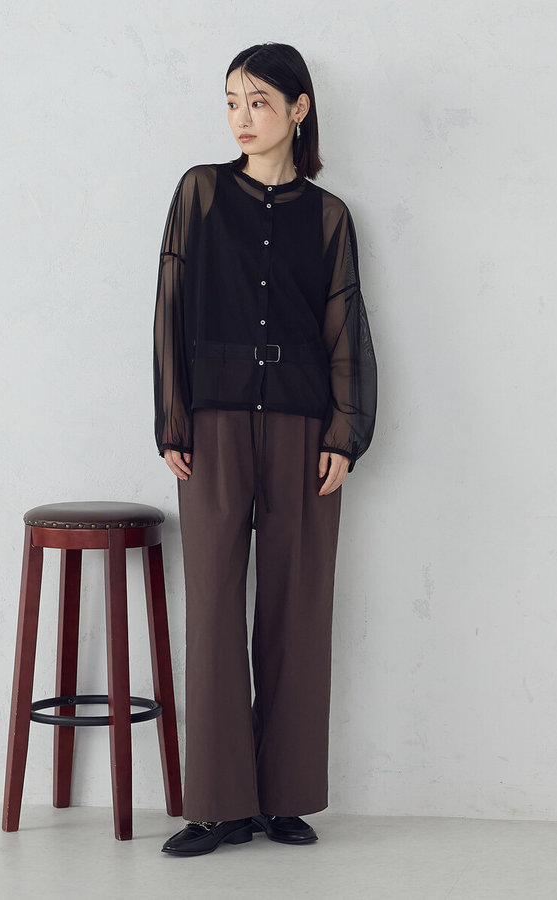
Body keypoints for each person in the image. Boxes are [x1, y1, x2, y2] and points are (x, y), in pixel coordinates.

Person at [153, 42, 377, 856]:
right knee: (213, 606)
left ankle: (283, 799)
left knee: (297, 608)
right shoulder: (201, 192)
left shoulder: (329, 217)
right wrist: (173, 419)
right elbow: (171, 302)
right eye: (231, 103)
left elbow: (344, 324)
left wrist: (345, 432)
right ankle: (217, 805)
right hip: (212, 426)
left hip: (301, 431)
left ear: (298, 109)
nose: (242, 119)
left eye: (258, 102)